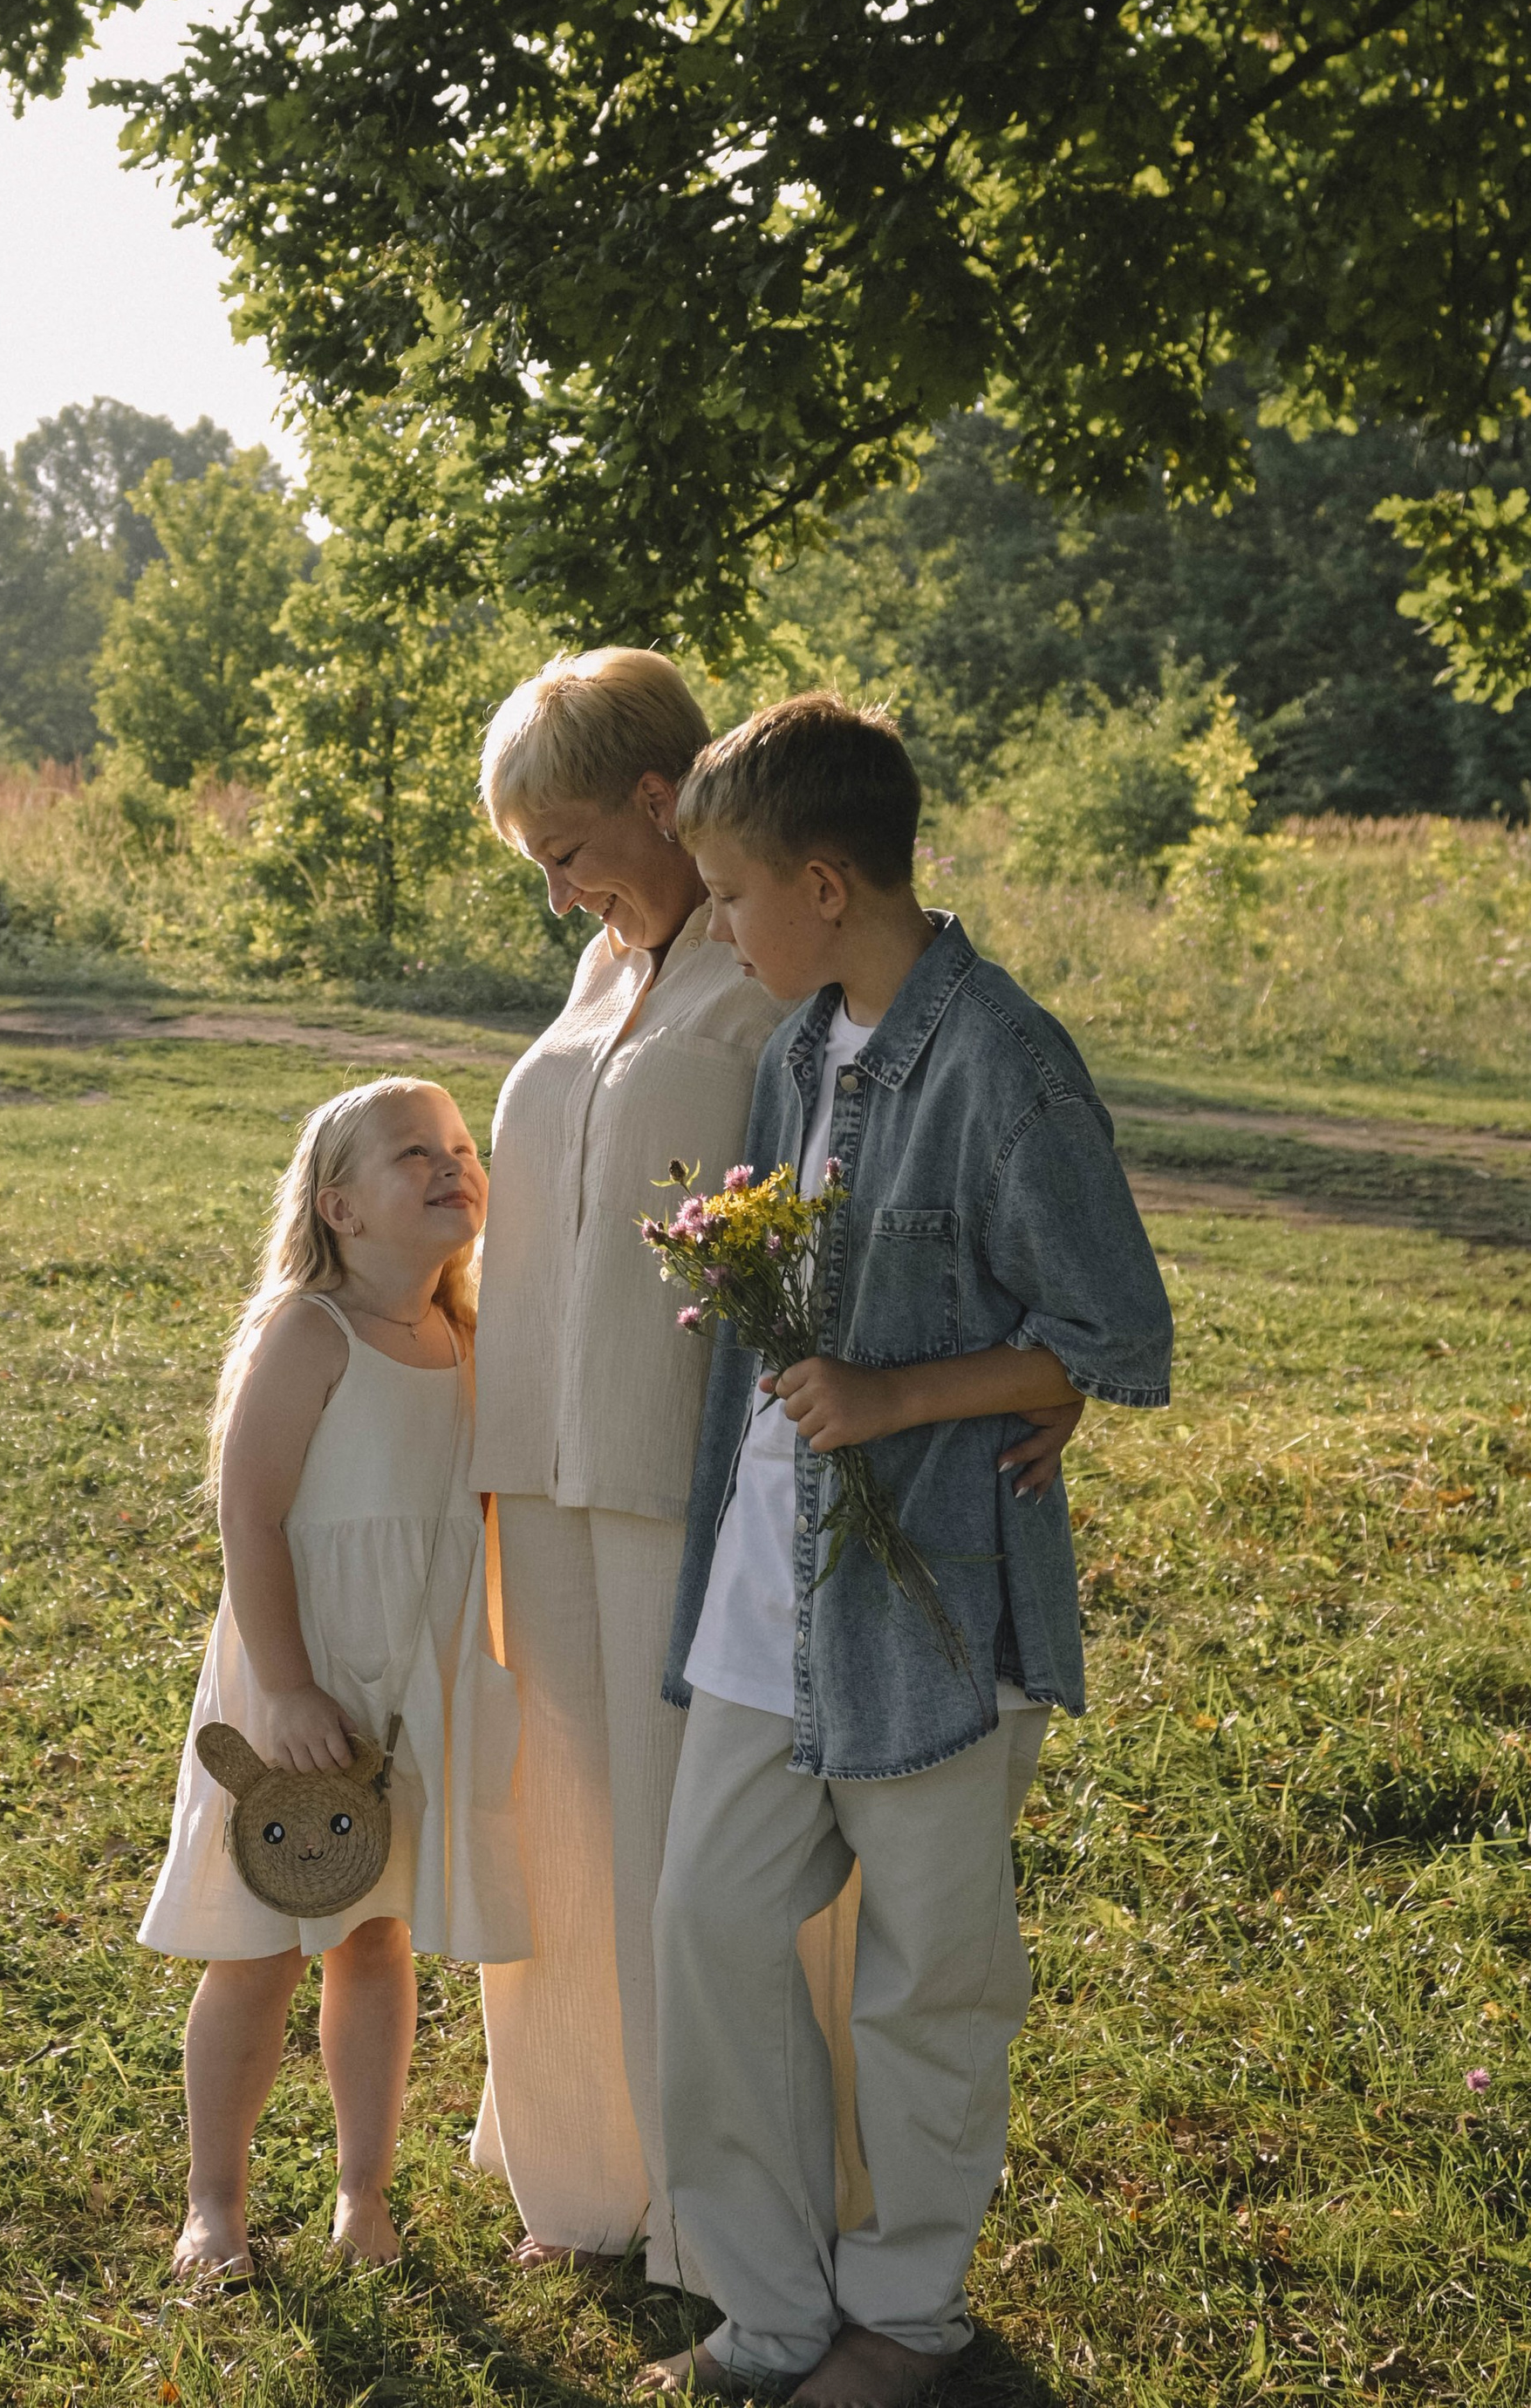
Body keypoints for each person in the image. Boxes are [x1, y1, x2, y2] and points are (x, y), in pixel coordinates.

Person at [466, 650, 1081, 2282]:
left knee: (702, 1850)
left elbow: (904, 1186)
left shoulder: (781, 978)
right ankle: (594, 2170)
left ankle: (731, 2216)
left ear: (662, 802)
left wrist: (1030, 1368)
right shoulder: (606, 970)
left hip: (703, 1464)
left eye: (566, 846)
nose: (558, 889)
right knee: (576, 1822)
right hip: (540, 1447)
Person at [641, 693, 1174, 2405]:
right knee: (708, 1936)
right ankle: (772, 2316)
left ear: (819, 878)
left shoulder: (1001, 1061)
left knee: (926, 1987)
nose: (713, 930)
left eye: (722, 894)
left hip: (936, 1605)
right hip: (758, 1602)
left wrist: (901, 1395)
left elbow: (1116, 1333)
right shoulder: (794, 1051)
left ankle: (903, 2322)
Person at [140, 1077, 530, 2279]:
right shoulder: (312, 1331)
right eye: (411, 1152)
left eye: (462, 1146)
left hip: (406, 1689)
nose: (449, 1164)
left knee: (375, 1934)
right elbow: (250, 1518)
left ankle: (364, 2196)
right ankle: (215, 2205)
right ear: (340, 1208)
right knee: (257, 1942)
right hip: (296, 1677)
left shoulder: (465, 1337)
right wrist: (294, 1687)